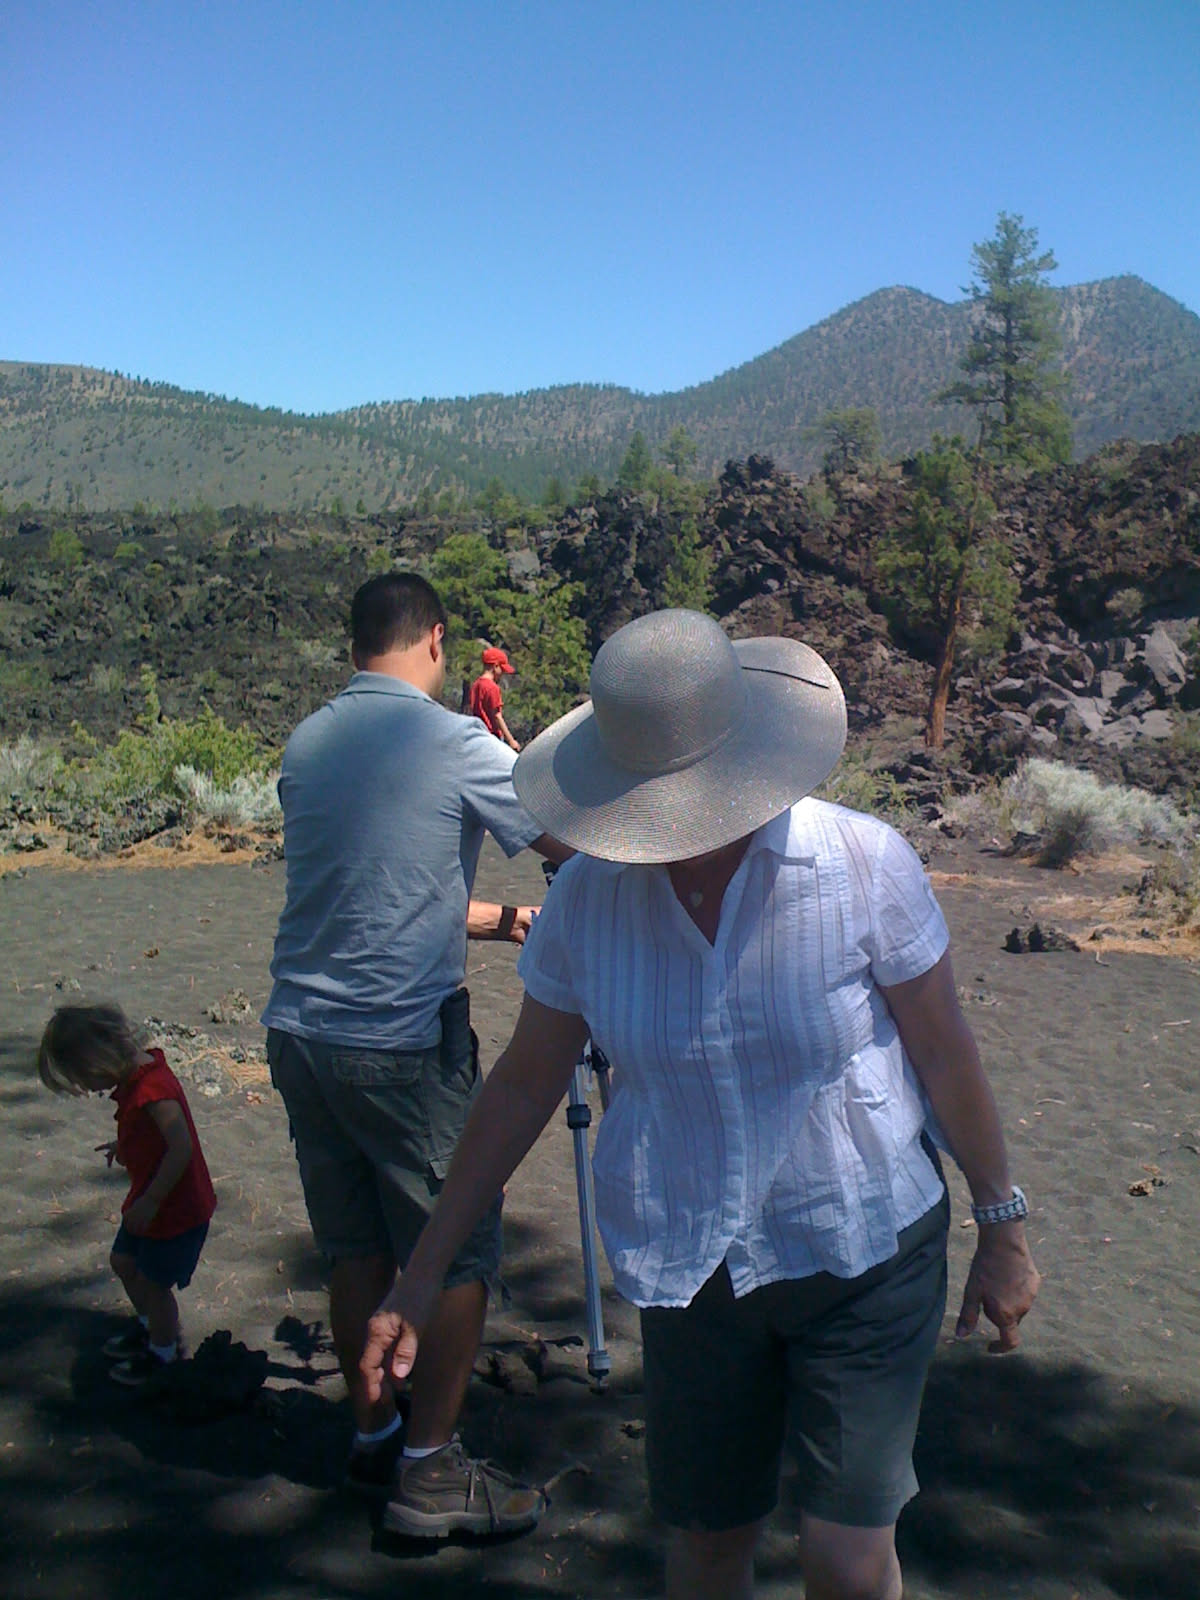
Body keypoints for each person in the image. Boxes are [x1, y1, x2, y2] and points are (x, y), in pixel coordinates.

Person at [361, 608, 1041, 1598]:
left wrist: (1002, 1225)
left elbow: (944, 1051)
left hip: (863, 1244)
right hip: (691, 1267)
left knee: (848, 1563)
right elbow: (520, 1087)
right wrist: (420, 1276)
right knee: (710, 1546)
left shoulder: (860, 865)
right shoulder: (588, 904)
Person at [261, 571, 569, 1538]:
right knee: (456, 1243)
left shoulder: (308, 743)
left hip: (300, 1035)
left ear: (358, 645)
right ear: (436, 640)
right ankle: (431, 1472)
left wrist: (502, 919)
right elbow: (567, 843)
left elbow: (388, 890)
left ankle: (375, 1435)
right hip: (399, 1044)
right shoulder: (454, 742)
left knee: (355, 1246)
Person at [37, 1003, 216, 1387]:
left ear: (98, 1059)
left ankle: (163, 1353)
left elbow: (180, 1147)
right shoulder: (138, 1080)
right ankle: (150, 1327)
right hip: (149, 1202)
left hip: (175, 1209)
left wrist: (151, 1201)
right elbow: (151, 1133)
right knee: (123, 1261)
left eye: (86, 1079)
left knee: (154, 1285)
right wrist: (126, 1146)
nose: (89, 1089)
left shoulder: (153, 1088)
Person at [467, 645, 521, 751]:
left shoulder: (476, 685)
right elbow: (497, 716)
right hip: (492, 737)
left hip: (478, 734)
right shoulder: (492, 688)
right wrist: (511, 740)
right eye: (502, 670)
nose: (503, 674)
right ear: (495, 666)